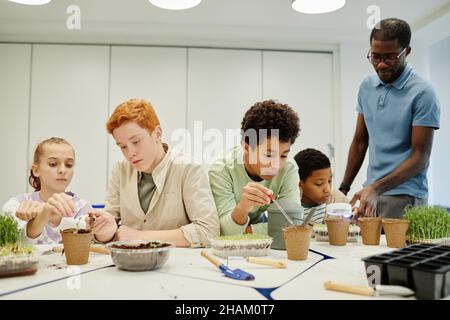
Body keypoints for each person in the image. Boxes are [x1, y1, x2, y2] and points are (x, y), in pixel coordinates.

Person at [339, 18, 440, 219]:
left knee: (398, 252)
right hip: (371, 192)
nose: (382, 64)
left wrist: (376, 188)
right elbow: (360, 142)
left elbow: (420, 157)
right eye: (375, 57)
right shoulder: (367, 87)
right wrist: (343, 189)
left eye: (390, 57)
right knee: (366, 251)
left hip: (406, 195)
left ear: (406, 51)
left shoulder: (423, 92)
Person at [88, 99, 219, 247]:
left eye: (136, 141)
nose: (130, 153)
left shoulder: (188, 169)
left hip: (177, 265)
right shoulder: (120, 170)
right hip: (130, 264)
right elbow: (109, 227)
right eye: (122, 146)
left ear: (157, 133)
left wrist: (140, 237)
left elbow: (209, 231)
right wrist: (104, 231)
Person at [208, 100, 301, 235]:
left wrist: (248, 231)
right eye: (268, 155)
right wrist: (243, 207)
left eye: (283, 155)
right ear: (247, 147)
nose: (276, 165)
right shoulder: (222, 170)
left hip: (259, 228)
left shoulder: (289, 168)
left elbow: (292, 223)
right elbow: (226, 231)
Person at [2, 137, 92, 245]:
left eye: (69, 165)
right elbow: (15, 244)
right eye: (53, 164)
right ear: (36, 170)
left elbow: (86, 237)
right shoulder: (16, 204)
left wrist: (56, 218)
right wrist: (43, 216)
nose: (63, 170)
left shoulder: (82, 207)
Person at [294, 148, 349, 223]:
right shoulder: (290, 210)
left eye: (329, 181)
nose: (327, 189)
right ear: (300, 184)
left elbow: (352, 217)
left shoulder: (337, 198)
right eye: (319, 184)